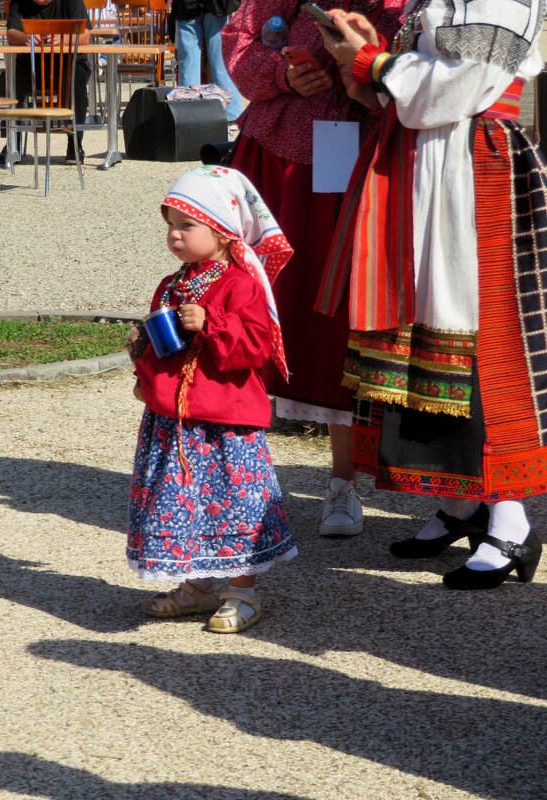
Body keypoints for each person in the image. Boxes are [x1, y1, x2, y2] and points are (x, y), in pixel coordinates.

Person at [315, 0, 546, 588]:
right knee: (426, 332)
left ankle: (513, 519)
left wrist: (371, 61)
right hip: (428, 160)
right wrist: (366, 55)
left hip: (476, 166)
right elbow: (413, 87)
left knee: (486, 339)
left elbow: (463, 84)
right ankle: (464, 503)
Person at [222, 0, 405, 537]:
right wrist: (283, 73)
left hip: (349, 153)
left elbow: (406, 74)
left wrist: (363, 69)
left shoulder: (394, 4)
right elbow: (238, 43)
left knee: (333, 316)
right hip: (271, 153)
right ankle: (233, 477)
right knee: (251, 300)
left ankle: (342, 482)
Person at [125, 165, 297, 633]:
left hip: (224, 424)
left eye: (186, 225)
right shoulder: (174, 284)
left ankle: (242, 591)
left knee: (231, 502)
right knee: (182, 500)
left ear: (222, 232)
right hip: (176, 421)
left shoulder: (242, 285)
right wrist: (145, 373)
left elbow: (255, 347)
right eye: (170, 226)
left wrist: (213, 324)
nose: (175, 236)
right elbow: (158, 343)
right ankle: (198, 584)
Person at [0, 0, 92, 166]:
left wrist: (62, 39)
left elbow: (85, 35)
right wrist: (25, 37)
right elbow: (11, 33)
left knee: (76, 78)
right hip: (31, 67)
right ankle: (13, 142)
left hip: (67, 64)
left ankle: (75, 144)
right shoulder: (18, 2)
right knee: (6, 80)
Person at [171, 0, 243, 125]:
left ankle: (188, 114)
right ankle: (231, 112)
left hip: (187, 5)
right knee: (220, 59)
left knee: (189, 61)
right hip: (217, 5)